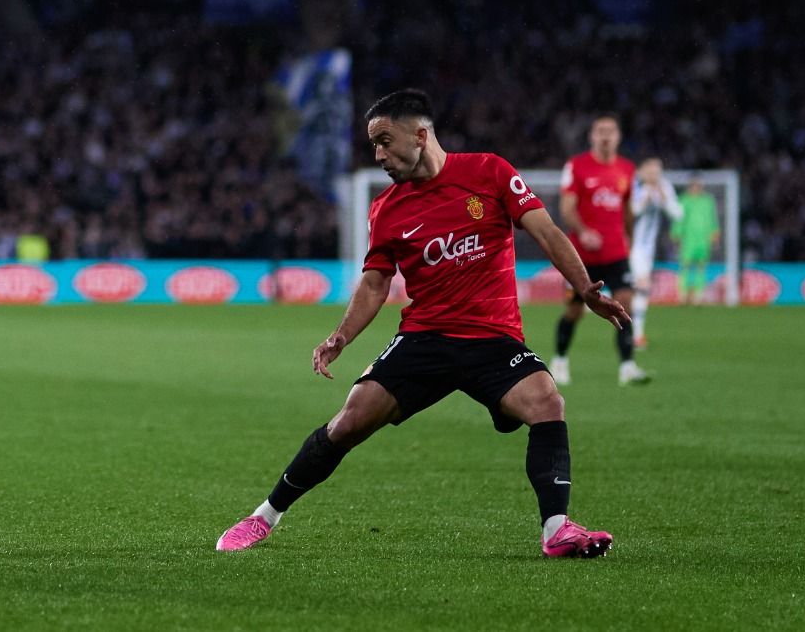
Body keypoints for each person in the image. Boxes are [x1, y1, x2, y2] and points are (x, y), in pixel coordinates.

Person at [215, 89, 628, 558]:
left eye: (385, 141)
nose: (379, 154)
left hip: (492, 338)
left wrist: (586, 290)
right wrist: (340, 338)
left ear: (421, 134)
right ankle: (262, 517)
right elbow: (374, 285)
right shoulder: (387, 209)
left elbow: (547, 231)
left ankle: (556, 530)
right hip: (424, 338)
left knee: (547, 402)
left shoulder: (489, 172)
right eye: (374, 145)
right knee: (350, 421)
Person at [550, 115, 647, 386]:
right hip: (581, 257)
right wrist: (583, 232)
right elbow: (567, 208)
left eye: (610, 131)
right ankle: (559, 360)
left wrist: (630, 238)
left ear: (618, 136)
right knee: (574, 311)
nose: (605, 136)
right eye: (600, 131)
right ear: (592, 136)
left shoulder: (627, 170)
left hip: (616, 253)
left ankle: (628, 366)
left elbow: (628, 209)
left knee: (625, 304)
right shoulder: (577, 167)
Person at [628, 157, 682, 347]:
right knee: (641, 287)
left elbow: (678, 214)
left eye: (658, 171)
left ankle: (634, 334)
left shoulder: (664, 186)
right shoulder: (635, 186)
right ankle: (635, 335)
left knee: (636, 290)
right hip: (631, 246)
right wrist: (645, 198)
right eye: (651, 171)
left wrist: (664, 198)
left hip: (647, 250)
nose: (655, 175)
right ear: (643, 171)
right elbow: (632, 211)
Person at [673, 178, 720, 305]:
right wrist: (676, 233)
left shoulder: (707, 201)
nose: (696, 188)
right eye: (694, 185)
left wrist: (715, 232)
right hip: (688, 239)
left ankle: (698, 295)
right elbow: (679, 218)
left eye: (698, 185)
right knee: (685, 266)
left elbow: (712, 218)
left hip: (703, 239)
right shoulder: (684, 200)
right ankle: (682, 295)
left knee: (701, 266)